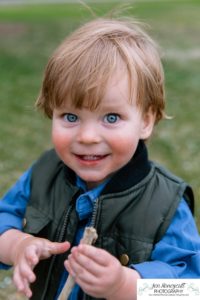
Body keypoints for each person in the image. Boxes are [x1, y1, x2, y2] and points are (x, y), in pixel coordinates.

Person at [0, 17, 200, 300]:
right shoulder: (44, 173)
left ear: (146, 120)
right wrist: (17, 245)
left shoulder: (166, 203)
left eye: (111, 117)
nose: (88, 136)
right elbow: (4, 219)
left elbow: (190, 288)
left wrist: (126, 285)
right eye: (70, 117)